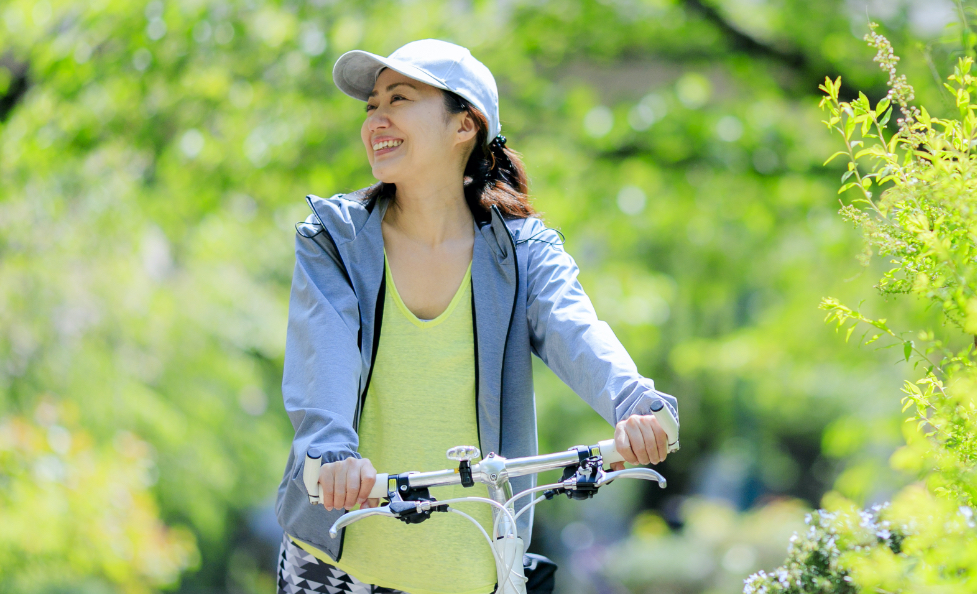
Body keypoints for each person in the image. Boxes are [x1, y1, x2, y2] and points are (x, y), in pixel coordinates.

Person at [273, 39, 677, 594]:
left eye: (399, 99)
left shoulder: (522, 251)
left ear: (464, 124)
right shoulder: (336, 240)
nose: (376, 120)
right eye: (372, 106)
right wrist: (333, 454)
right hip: (336, 564)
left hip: (474, 568)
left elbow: (574, 327)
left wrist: (635, 405)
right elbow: (324, 357)